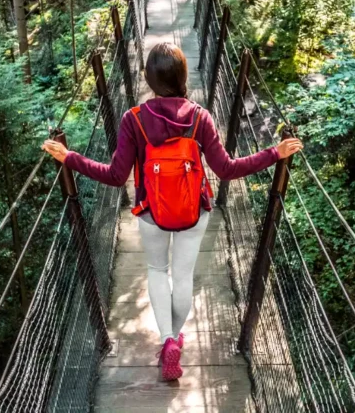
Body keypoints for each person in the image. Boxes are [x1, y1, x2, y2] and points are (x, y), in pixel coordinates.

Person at [42, 43, 302, 381]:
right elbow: (226, 169)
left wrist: (69, 158)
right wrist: (274, 153)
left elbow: (115, 175)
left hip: (152, 211)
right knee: (183, 278)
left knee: (156, 269)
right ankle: (174, 339)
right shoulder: (199, 117)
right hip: (194, 209)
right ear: (183, 77)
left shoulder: (132, 119)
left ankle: (167, 338)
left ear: (149, 79)